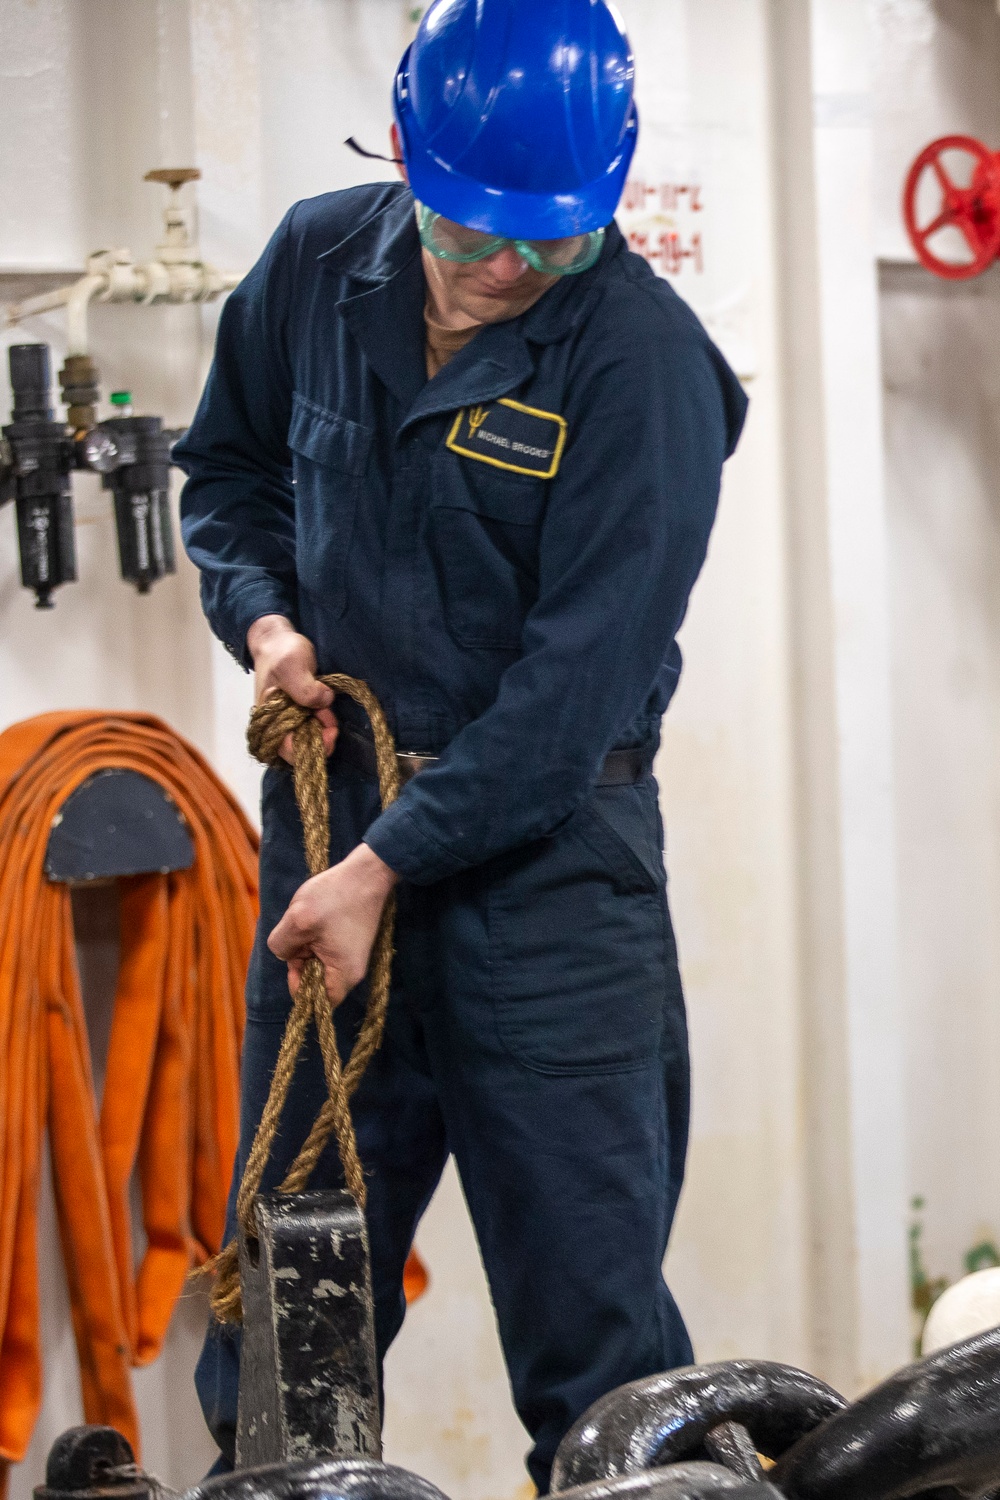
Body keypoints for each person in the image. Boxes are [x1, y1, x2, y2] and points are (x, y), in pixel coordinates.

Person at [177, 0, 747, 1487]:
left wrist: (384, 867)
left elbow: (569, 701)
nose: (505, 268)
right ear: (404, 158)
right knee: (287, 1328)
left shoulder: (645, 370)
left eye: (549, 242)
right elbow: (225, 474)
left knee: (595, 1348)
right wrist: (266, 626)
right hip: (331, 854)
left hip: (548, 892)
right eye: (470, 228)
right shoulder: (312, 263)